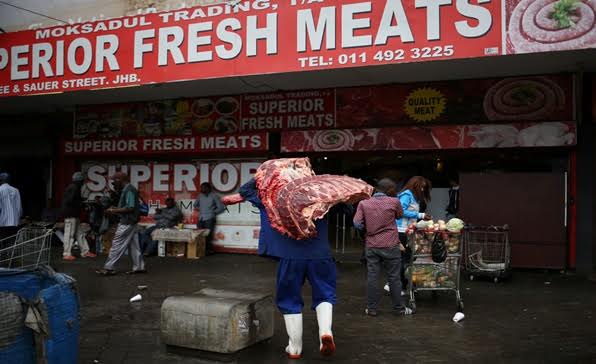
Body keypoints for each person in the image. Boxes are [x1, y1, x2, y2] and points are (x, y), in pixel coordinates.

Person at [228, 178, 336, 359]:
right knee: (325, 294)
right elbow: (348, 209)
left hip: (290, 257)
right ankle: (325, 333)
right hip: (321, 256)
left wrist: (265, 174)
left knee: (289, 298)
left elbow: (246, 190)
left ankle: (295, 348)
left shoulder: (275, 198)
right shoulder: (325, 196)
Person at [353, 178, 413, 317]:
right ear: (390, 190)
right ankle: (399, 309)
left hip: (372, 245)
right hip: (391, 244)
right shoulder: (394, 202)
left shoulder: (364, 203)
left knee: (373, 277)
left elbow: (356, 223)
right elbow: (399, 215)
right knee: (394, 277)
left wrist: (367, 229)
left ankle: (372, 308)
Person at [388, 176, 433, 295]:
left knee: (407, 259)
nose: (423, 190)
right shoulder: (407, 195)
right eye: (421, 187)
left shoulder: (414, 197)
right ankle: (398, 286)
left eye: (424, 188)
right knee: (404, 259)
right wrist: (420, 215)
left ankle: (399, 284)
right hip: (401, 231)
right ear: (415, 186)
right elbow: (400, 212)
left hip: (408, 231)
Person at [96, 172, 146, 276]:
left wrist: (114, 211)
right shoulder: (127, 189)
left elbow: (130, 207)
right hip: (131, 221)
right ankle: (139, 267)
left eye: (114, 180)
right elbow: (128, 206)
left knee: (117, 244)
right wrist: (116, 209)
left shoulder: (129, 190)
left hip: (127, 222)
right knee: (134, 245)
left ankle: (109, 268)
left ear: (119, 180)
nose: (113, 183)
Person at [61, 172, 97, 260]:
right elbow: (70, 201)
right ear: (79, 180)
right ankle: (66, 254)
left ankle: (85, 251)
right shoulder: (74, 187)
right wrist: (82, 203)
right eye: (82, 180)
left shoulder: (74, 187)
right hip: (70, 215)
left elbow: (73, 200)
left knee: (80, 234)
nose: (83, 182)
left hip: (74, 214)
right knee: (69, 234)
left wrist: (82, 201)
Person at [193, 182, 225, 254]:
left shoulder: (214, 196)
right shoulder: (200, 196)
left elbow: (221, 208)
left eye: (203, 187)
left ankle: (208, 251)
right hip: (201, 218)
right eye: (201, 187)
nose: (201, 189)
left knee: (208, 236)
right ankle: (200, 250)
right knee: (199, 235)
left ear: (208, 188)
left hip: (210, 218)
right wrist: (201, 209)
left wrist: (212, 212)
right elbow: (195, 205)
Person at [0, 173, 22, 243]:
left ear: (1, 180)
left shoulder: (0, 190)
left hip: (2, 222)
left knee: (3, 243)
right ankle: (10, 254)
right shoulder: (16, 190)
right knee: (12, 243)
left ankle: (4, 254)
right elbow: (19, 208)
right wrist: (18, 219)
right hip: (14, 222)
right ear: (9, 180)